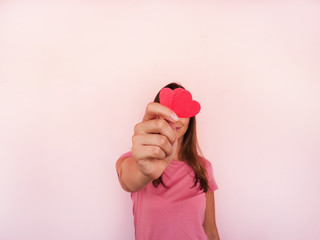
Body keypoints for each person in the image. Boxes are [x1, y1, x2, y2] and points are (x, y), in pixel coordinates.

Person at [116, 82, 220, 240]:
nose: (175, 119)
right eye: (169, 110)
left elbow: (211, 230)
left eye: (182, 110)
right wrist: (144, 171)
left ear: (191, 118)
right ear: (157, 115)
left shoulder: (204, 167)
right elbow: (128, 179)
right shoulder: (136, 160)